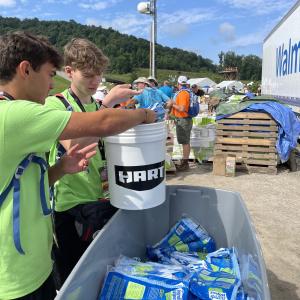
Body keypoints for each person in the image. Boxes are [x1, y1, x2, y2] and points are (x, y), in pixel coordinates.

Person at [0, 31, 155, 300]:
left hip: (34, 265)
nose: (52, 84)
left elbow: (26, 181)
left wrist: (60, 168)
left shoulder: (18, 113)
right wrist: (141, 114)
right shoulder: (16, 113)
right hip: (19, 271)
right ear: (25, 70)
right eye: (50, 74)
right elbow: (102, 123)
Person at [45, 38, 133, 285]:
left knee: (102, 272)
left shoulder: (95, 105)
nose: (96, 81)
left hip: (102, 198)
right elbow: (75, 148)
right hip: (72, 206)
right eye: (89, 75)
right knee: (75, 277)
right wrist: (107, 106)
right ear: (69, 72)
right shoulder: (56, 105)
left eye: (100, 75)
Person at [170, 75, 192, 171]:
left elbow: (182, 108)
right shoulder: (186, 92)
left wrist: (172, 104)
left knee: (185, 142)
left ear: (178, 83)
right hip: (184, 119)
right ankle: (185, 162)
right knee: (185, 141)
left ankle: (185, 163)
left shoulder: (183, 93)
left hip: (183, 119)